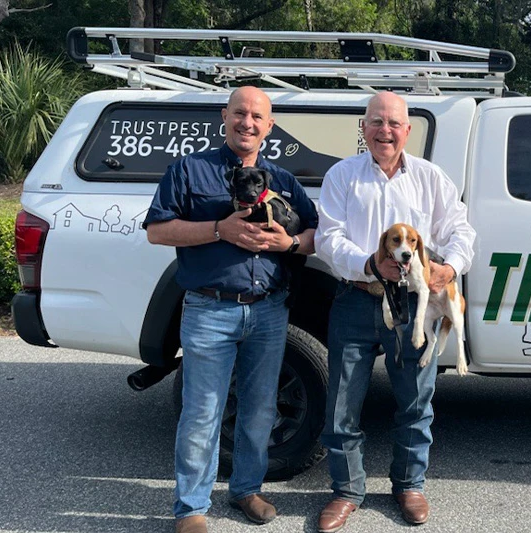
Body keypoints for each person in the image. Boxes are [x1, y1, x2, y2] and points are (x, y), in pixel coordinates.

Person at [143, 86, 317, 533]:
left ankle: (246, 489)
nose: (248, 123)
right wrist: (219, 228)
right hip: (209, 309)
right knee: (202, 411)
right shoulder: (189, 171)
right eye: (240, 113)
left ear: (270, 125)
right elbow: (158, 232)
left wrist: (290, 242)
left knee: (260, 408)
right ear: (225, 115)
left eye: (258, 116)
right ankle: (192, 509)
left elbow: (318, 233)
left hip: (270, 311)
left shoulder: (283, 180)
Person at [313, 91, 476, 531]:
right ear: (363, 128)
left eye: (394, 123)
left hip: (412, 307)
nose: (385, 131)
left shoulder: (429, 177)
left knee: (416, 400)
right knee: (342, 403)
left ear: (408, 130)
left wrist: (448, 267)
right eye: (376, 122)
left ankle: (409, 485)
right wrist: (368, 263)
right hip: (356, 297)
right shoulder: (342, 175)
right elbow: (328, 238)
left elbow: (460, 228)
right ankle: (346, 491)